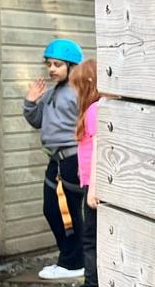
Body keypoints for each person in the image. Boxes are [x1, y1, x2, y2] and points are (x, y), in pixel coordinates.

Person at [24, 38, 86, 281]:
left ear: (72, 66)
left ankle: (73, 263)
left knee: (67, 213)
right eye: (49, 64)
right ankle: (69, 259)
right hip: (56, 161)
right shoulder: (51, 93)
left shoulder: (79, 92)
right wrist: (30, 102)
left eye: (57, 64)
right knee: (52, 209)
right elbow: (37, 120)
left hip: (72, 160)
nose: (51, 69)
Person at [69, 59, 103, 287]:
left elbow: (99, 148)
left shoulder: (94, 110)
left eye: (77, 87)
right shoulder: (97, 108)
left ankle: (92, 283)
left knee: (90, 239)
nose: (75, 93)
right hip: (90, 183)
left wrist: (93, 188)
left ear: (89, 82)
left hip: (94, 185)